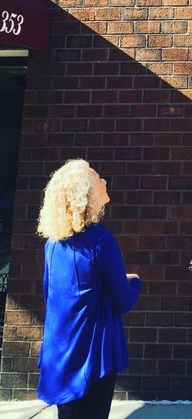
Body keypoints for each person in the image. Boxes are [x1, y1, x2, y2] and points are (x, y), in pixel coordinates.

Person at [37, 159, 141, 419]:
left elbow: (51, 293)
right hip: (93, 359)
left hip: (59, 356)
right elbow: (124, 302)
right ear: (85, 194)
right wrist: (134, 280)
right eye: (98, 178)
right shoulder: (101, 240)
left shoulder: (52, 244)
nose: (104, 181)